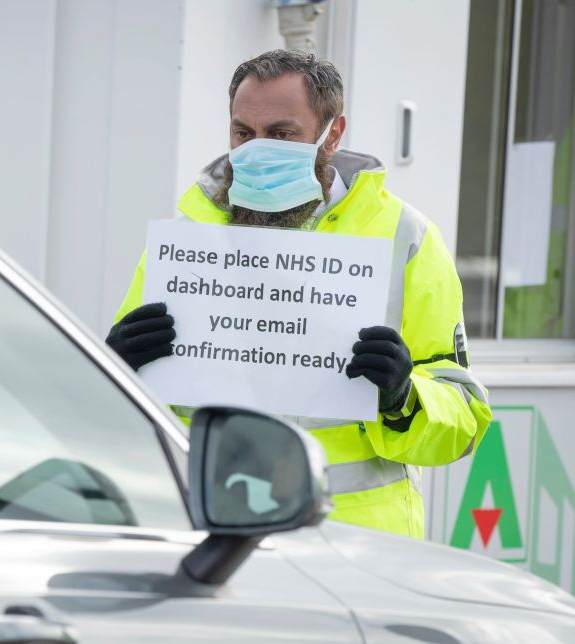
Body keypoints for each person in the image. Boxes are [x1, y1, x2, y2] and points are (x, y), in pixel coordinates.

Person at [105, 49, 492, 538]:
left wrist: (404, 398)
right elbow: (132, 411)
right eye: (243, 132)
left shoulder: (403, 236)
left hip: (357, 545)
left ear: (333, 133)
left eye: (282, 134)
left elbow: (463, 421)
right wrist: (118, 368)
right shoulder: (191, 239)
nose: (256, 149)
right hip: (210, 532)